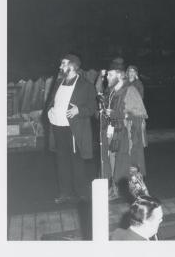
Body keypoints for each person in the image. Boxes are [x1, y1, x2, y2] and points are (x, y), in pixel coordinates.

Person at [47, 54, 97, 204]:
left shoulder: (85, 85)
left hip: (73, 129)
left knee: (77, 162)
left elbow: (93, 108)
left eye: (63, 64)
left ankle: (81, 193)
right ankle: (65, 193)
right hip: (57, 127)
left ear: (73, 66)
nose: (60, 66)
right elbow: (52, 102)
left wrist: (79, 111)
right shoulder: (58, 83)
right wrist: (50, 110)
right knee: (61, 161)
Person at [102, 63, 148, 196]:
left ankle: (138, 194)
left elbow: (139, 114)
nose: (107, 77)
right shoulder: (110, 90)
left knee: (128, 164)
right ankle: (115, 188)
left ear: (119, 75)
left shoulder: (130, 90)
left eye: (110, 75)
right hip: (112, 132)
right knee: (111, 161)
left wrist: (118, 114)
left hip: (126, 135)